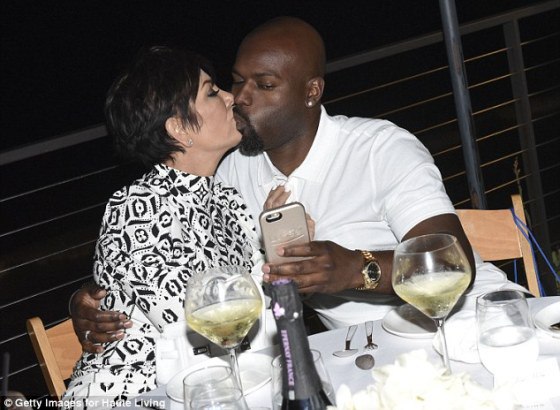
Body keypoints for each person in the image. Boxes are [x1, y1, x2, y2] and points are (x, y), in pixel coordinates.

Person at [72, 17, 525, 346]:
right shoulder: (229, 173)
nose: (240, 98)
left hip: (479, 323)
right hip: (371, 355)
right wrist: (89, 301)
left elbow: (450, 264)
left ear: (311, 92)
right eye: (236, 81)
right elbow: (165, 263)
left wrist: (353, 268)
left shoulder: (379, 149)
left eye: (265, 85)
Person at [62, 45, 267, 403]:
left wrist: (281, 249)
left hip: (215, 385)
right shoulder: (136, 209)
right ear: (178, 127)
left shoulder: (227, 199)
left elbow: (258, 300)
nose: (230, 97)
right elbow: (202, 319)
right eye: (211, 92)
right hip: (133, 395)